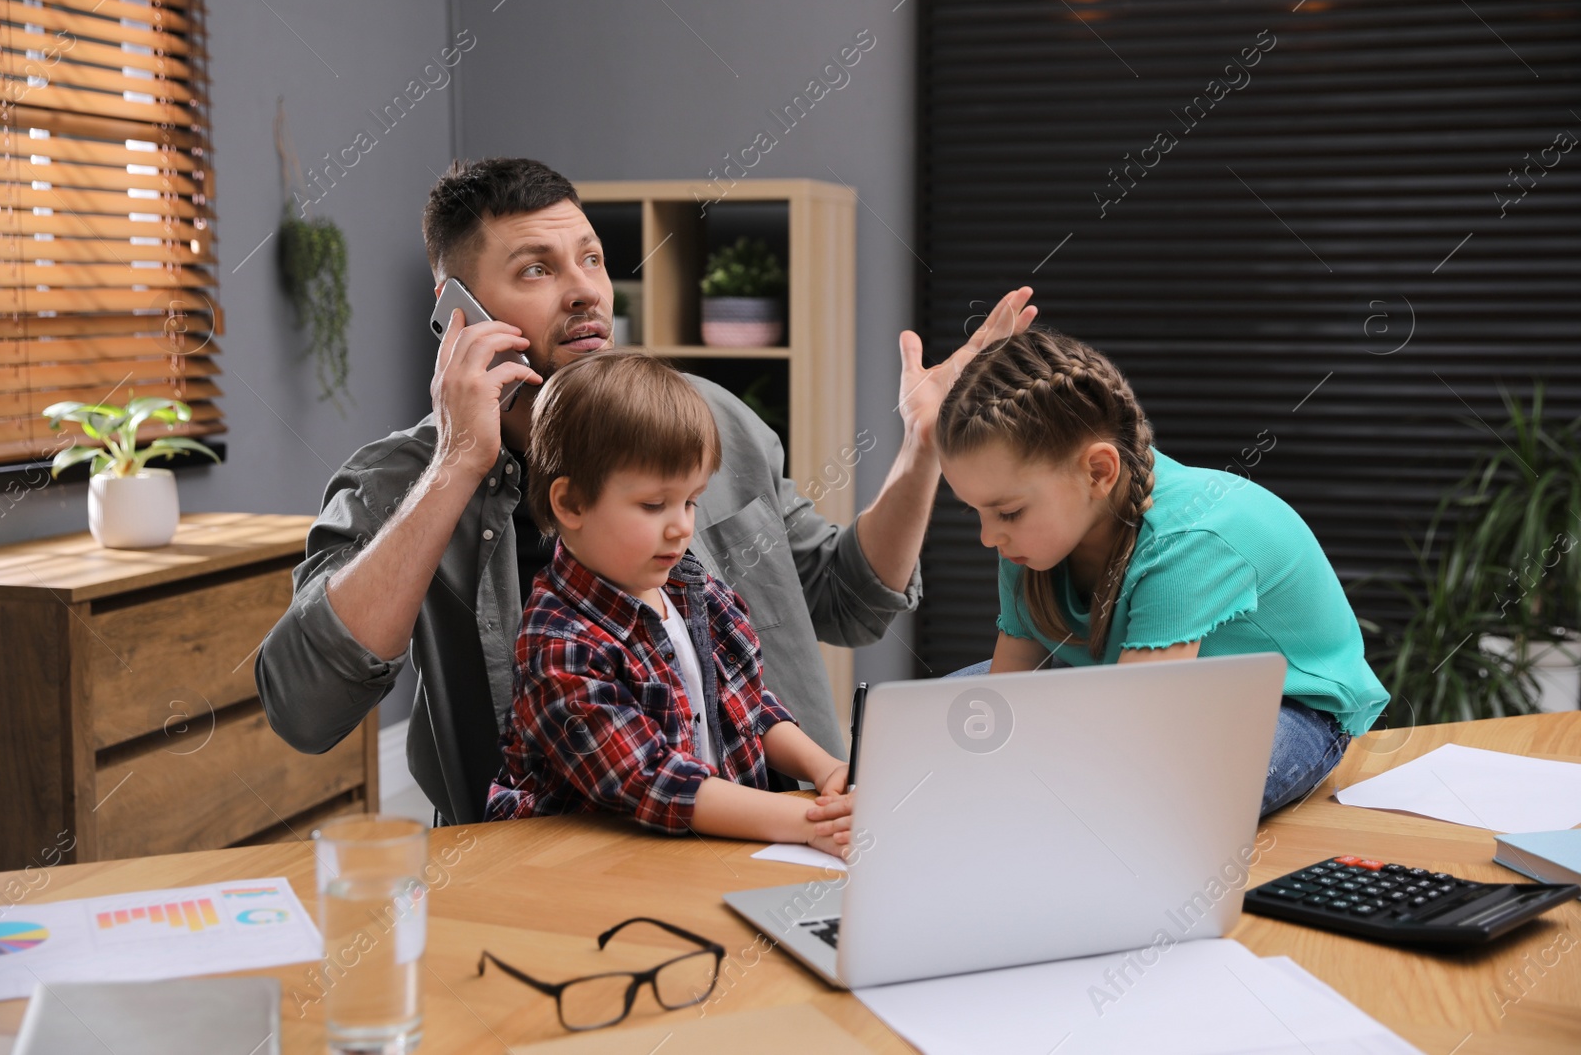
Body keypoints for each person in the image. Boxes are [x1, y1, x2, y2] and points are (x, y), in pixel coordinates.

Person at [255, 155, 1036, 824]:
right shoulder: (398, 480)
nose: (586, 291)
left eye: (591, 259)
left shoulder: (706, 421)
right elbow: (305, 707)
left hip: (766, 828)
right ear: (457, 314)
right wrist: (458, 460)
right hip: (549, 873)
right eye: (537, 268)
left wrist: (923, 449)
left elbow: (848, 601)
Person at [934, 328, 1387, 816]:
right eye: (974, 512)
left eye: (1006, 512)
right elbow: (1011, 682)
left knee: (1161, 804)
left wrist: (986, 792)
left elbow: (1131, 735)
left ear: (1099, 472)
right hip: (1124, 679)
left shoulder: (1190, 543)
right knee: (929, 724)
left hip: (1280, 704)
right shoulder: (1028, 541)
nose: (987, 537)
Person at [484, 352, 855, 856]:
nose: (682, 526)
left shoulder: (697, 593)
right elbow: (653, 780)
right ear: (569, 504)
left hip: (700, 848)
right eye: (654, 505)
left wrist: (824, 767)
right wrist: (806, 819)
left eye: (691, 501)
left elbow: (748, 706)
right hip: (595, 871)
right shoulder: (559, 643)